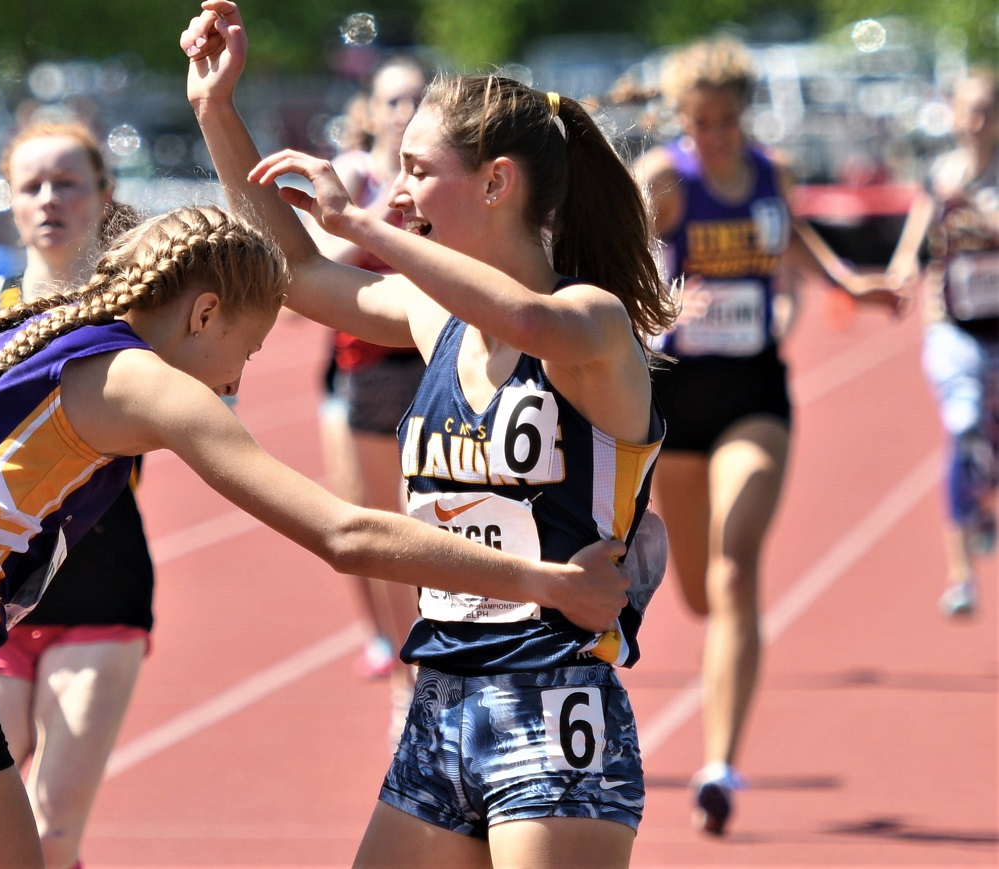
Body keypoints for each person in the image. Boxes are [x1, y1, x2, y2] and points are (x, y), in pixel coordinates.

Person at [0, 202, 636, 867]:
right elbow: (344, 531)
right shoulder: (137, 372)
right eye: (247, 351)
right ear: (203, 313)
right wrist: (547, 580)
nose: (238, 378)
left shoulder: (10, 333)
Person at [182, 3, 676, 864]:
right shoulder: (431, 315)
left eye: (417, 169)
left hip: (551, 706)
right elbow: (296, 272)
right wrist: (217, 112)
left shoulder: (588, 320)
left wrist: (363, 226)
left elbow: (525, 315)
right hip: (440, 700)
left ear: (494, 184)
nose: (397, 190)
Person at [630, 35, 903, 836]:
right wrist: (666, 303)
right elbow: (619, 260)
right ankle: (720, 659)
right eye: (699, 121)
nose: (714, 134)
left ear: (742, 115)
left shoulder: (769, 172)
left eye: (725, 120)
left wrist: (850, 283)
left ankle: (718, 764)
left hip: (754, 391)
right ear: (681, 118)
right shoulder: (665, 181)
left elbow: (790, 235)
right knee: (692, 590)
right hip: (676, 402)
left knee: (735, 567)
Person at [0, 119, 151, 869]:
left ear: (103, 195)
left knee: (52, 831)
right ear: (10, 200)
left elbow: (213, 409)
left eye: (68, 183)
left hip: (99, 593)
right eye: (33, 186)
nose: (50, 199)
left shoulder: (138, 310)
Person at [308, 56, 433, 709]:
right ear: (373, 111)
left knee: (442, 523)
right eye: (394, 101)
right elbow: (318, 264)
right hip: (365, 366)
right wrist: (380, 208)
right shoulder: (354, 177)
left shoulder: (445, 175)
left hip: (434, 356)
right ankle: (401, 674)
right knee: (381, 527)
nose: (406, 110)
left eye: (418, 97)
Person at [885, 68, 998, 617]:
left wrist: (980, 217)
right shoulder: (939, 177)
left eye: (987, 112)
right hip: (952, 329)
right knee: (963, 425)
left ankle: (980, 500)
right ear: (953, 115)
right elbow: (912, 243)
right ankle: (960, 576)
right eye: (968, 111)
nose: (976, 123)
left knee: (989, 449)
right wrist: (904, 269)